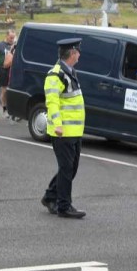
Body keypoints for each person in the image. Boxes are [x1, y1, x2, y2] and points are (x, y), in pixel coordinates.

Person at [41, 38, 86, 219]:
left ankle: (50, 196)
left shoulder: (70, 72)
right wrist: (57, 125)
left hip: (74, 131)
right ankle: (64, 206)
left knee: (70, 169)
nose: (79, 55)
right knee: (67, 169)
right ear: (72, 54)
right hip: (63, 132)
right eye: (78, 52)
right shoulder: (55, 75)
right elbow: (52, 102)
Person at [0, 29, 16, 118]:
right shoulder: (0, 45)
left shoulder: (15, 46)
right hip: (3, 69)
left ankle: (12, 109)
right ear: (7, 36)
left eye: (13, 38)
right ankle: (4, 109)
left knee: (12, 90)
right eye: (11, 37)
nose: (12, 39)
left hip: (13, 69)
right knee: (5, 90)